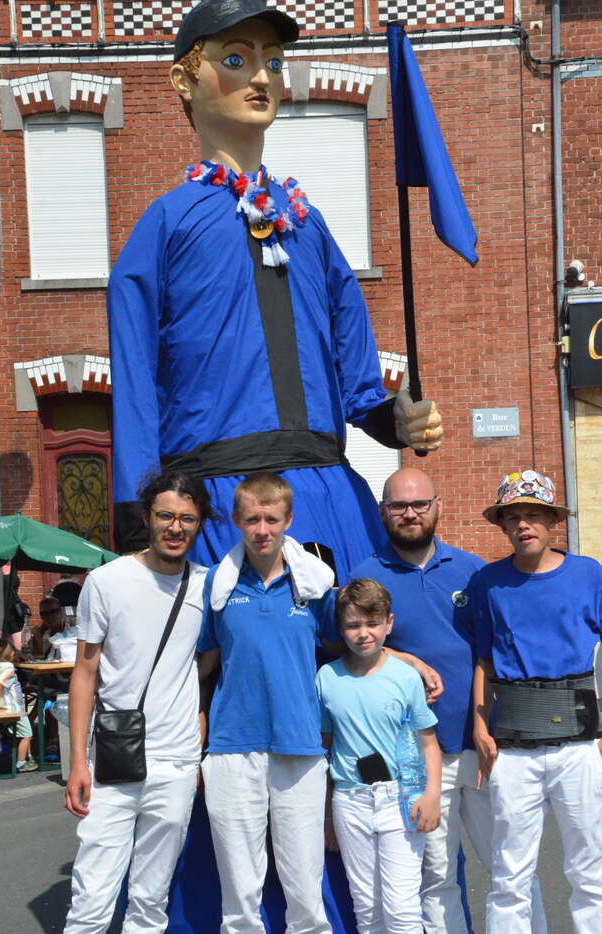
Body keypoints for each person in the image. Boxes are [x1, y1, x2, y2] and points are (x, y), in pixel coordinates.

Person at [108, 0, 443, 582]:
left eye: (275, 62)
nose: (262, 77)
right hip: (218, 508)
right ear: (184, 79)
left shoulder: (309, 226)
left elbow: (358, 382)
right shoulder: (166, 223)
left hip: (330, 504)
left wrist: (398, 420)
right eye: (236, 59)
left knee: (354, 661)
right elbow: (134, 378)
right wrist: (140, 514)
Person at [348, 468, 572, 934]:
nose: (410, 513)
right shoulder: (368, 575)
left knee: (510, 870)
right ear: (383, 511)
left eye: (420, 503)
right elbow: (357, 646)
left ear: (437, 506)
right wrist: (407, 659)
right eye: (399, 506)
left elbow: (492, 653)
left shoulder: (474, 572)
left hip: (485, 745)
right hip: (417, 757)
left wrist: (489, 722)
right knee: (436, 877)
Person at [47, 469, 213, 934]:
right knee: (92, 899)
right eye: (166, 515)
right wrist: (77, 761)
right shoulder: (109, 581)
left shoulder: (206, 585)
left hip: (174, 761)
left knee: (150, 899)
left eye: (187, 519)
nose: (175, 527)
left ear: (199, 525)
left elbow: (205, 662)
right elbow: (84, 671)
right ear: (147, 517)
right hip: (112, 760)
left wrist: (198, 727)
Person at [198, 472, 337, 934]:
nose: (261, 529)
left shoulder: (315, 588)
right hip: (233, 752)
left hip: (300, 752)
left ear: (288, 521)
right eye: (251, 519)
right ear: (236, 521)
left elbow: (354, 650)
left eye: (271, 519)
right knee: (241, 899)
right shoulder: (218, 589)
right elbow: (198, 667)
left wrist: (412, 665)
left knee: (305, 897)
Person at [473, 470, 602, 934]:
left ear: (554, 521)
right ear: (503, 525)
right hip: (513, 749)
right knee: (508, 880)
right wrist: (480, 724)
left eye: (533, 514)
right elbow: (482, 655)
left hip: (579, 745)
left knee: (589, 876)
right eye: (511, 516)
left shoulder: (589, 575)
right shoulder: (488, 583)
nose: (522, 523)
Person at [317, 578, 441, 934]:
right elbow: (327, 746)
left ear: (389, 624)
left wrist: (431, 794)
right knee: (367, 909)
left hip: (399, 797)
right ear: (340, 628)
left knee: (402, 908)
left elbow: (428, 742)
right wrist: (328, 817)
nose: (363, 633)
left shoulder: (405, 677)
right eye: (352, 625)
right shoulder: (326, 678)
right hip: (349, 800)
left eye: (372, 623)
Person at [0, 637, 37, 773]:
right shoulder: (9, 667)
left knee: (12, 731)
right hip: (14, 709)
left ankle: (10, 749)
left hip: (3, 709)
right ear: (10, 654)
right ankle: (21, 763)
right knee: (27, 734)